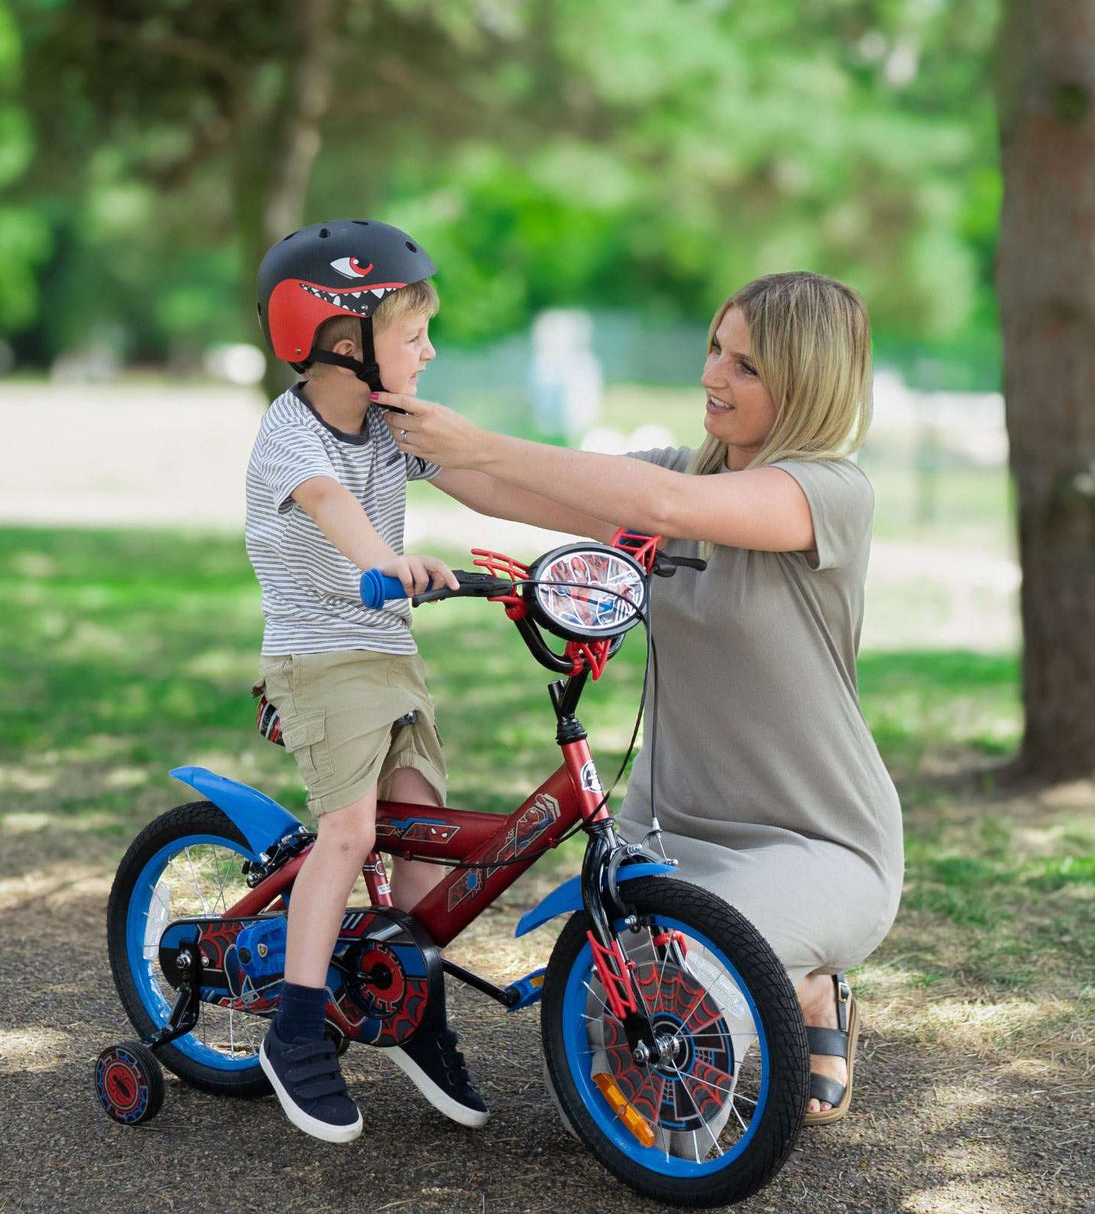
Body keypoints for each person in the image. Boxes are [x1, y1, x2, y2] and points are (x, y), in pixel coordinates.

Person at [371, 271, 904, 1125]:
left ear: (806, 384)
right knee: (616, 1032)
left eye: (747, 368)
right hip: (670, 836)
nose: (712, 377)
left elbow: (665, 503)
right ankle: (795, 976)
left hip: (817, 839)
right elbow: (517, 489)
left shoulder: (828, 492)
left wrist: (478, 440)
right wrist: (400, 422)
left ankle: (812, 980)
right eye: (714, 350)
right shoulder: (675, 475)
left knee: (680, 1017)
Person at [247, 219, 617, 1144]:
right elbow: (335, 511)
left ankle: (407, 1004)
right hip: (321, 659)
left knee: (425, 835)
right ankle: (295, 1031)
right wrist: (391, 560)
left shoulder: (385, 424)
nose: (430, 351)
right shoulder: (290, 437)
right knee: (352, 829)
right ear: (343, 341)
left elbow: (487, 486)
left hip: (387, 660)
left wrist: (605, 529)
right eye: (414, 337)